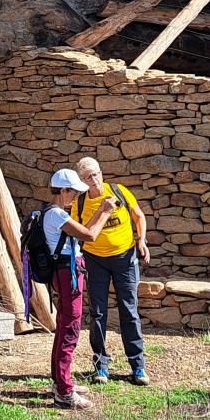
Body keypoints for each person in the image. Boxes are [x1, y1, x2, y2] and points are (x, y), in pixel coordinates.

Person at [68, 156, 152, 386]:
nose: (93, 180)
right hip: (95, 260)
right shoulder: (81, 203)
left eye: (95, 174)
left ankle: (138, 366)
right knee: (98, 312)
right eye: (87, 177)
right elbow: (79, 232)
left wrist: (141, 240)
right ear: (82, 181)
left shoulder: (119, 191)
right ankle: (101, 366)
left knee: (129, 310)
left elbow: (139, 216)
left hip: (125, 258)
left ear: (101, 173)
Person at [42, 168, 116, 410]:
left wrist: (100, 212)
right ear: (62, 190)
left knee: (64, 326)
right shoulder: (56, 215)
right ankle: (64, 392)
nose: (75, 197)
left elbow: (83, 233)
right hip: (68, 274)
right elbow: (91, 236)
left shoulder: (54, 212)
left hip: (65, 272)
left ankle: (60, 382)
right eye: (73, 192)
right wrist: (105, 212)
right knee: (70, 329)